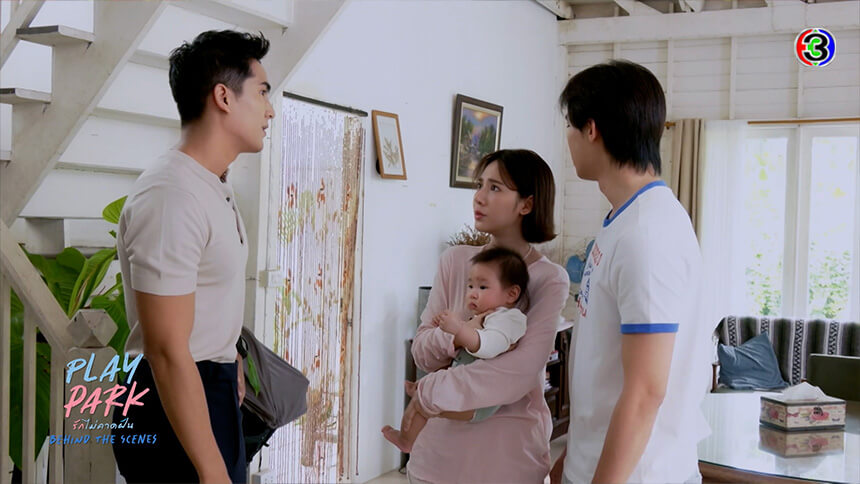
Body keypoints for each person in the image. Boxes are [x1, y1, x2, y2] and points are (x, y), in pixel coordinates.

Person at [111, 30, 275, 483]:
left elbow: (206, 289)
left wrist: (229, 353)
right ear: (223, 97)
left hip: (209, 387)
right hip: (172, 402)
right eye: (262, 92)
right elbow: (165, 351)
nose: (270, 110)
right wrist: (210, 468)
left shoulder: (211, 183)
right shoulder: (172, 194)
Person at [550, 60, 710, 484]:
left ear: (591, 129)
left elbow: (646, 392)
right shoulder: (623, 221)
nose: (568, 139)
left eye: (569, 126)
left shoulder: (646, 234)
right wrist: (570, 458)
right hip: (599, 465)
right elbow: (601, 365)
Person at [401, 149, 570, 484]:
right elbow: (422, 353)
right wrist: (460, 331)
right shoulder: (454, 261)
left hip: (508, 463)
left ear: (527, 204)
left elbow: (518, 373)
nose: (479, 197)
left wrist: (430, 391)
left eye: (495, 188)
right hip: (435, 463)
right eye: (479, 185)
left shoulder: (549, 279)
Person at [382, 247, 530, 453]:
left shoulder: (509, 319)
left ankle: (407, 435)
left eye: (483, 287)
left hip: (481, 400)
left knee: (427, 399)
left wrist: (460, 330)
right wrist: (451, 326)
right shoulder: (485, 317)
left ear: (511, 293)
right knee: (427, 396)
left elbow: (490, 346)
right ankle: (407, 437)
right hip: (467, 390)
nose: (473, 293)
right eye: (470, 286)